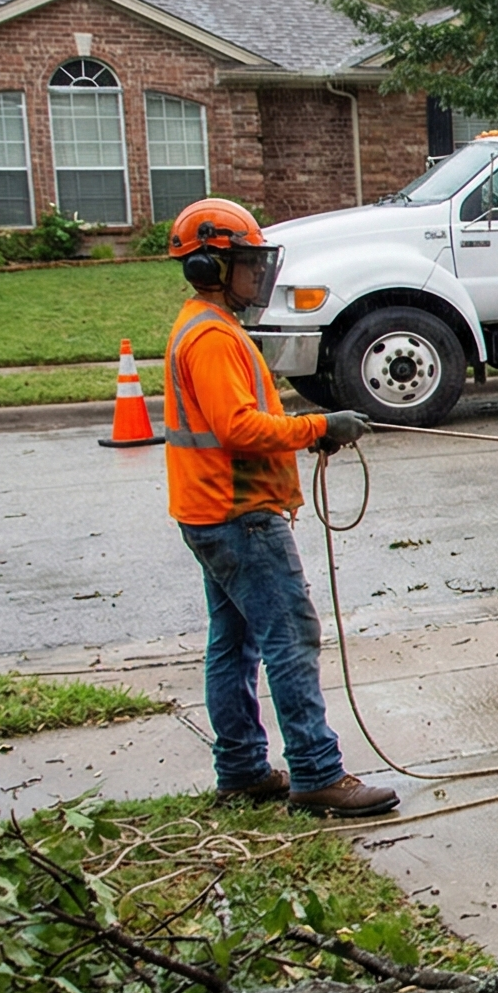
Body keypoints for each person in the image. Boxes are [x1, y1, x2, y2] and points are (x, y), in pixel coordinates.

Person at [162, 200, 399, 818]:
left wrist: (308, 431)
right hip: (239, 513)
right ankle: (318, 773)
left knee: (234, 642)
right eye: (249, 262)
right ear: (209, 266)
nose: (259, 275)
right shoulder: (212, 336)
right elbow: (238, 427)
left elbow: (239, 421)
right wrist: (321, 422)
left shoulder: (203, 325)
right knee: (289, 637)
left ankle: (241, 769)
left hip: (209, 510)